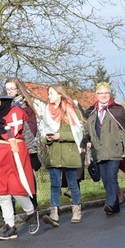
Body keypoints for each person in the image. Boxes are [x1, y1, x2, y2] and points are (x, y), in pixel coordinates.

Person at [0, 84, 40, 239]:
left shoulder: (17, 112)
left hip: (16, 152)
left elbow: (27, 133)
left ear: (3, 99)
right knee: (3, 192)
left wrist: (33, 154)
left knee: (16, 189)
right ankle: (10, 226)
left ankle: (31, 213)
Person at [83, 82, 125, 215]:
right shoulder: (91, 112)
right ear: (96, 95)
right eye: (101, 93)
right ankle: (114, 205)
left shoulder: (118, 109)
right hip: (98, 152)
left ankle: (109, 203)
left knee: (111, 176)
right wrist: (84, 143)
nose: (103, 95)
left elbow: (124, 131)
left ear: (109, 94)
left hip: (115, 150)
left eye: (106, 93)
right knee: (105, 180)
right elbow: (87, 131)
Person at [40, 84, 85, 226]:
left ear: (60, 94)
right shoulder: (46, 112)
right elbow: (41, 132)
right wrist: (46, 138)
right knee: (55, 185)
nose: (49, 96)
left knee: (73, 184)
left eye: (51, 93)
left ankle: (76, 210)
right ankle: (54, 213)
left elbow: (79, 133)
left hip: (69, 152)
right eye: (48, 93)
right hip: (54, 154)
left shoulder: (71, 110)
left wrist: (61, 135)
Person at [6, 78, 43, 206]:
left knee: (27, 176)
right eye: (7, 89)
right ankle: (10, 207)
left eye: (12, 89)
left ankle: (33, 204)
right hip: (8, 148)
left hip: (23, 147)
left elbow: (31, 129)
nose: (10, 92)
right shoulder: (4, 108)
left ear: (18, 90)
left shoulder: (26, 108)